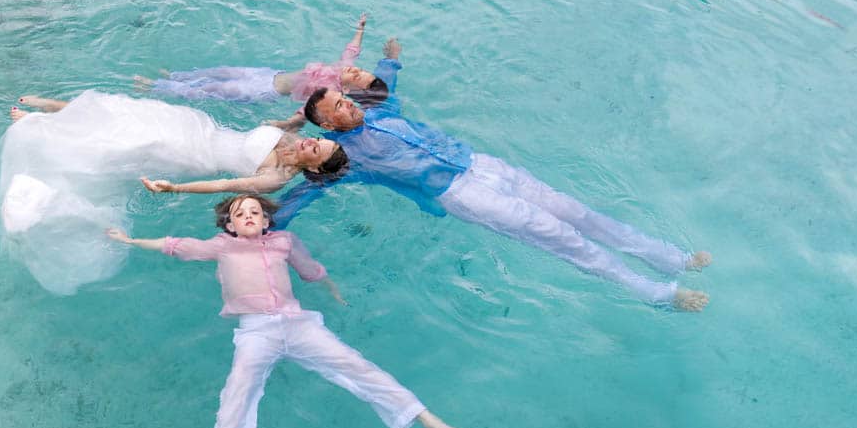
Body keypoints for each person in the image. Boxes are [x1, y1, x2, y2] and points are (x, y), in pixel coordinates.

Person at [274, 40, 711, 310]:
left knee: (575, 212)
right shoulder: (347, 157)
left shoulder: (379, 109)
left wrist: (392, 59)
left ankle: (669, 257)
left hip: (483, 165)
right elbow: (308, 188)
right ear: (326, 125)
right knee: (559, 236)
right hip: (461, 193)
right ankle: (655, 293)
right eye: (337, 107)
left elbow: (383, 83)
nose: (347, 103)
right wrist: (269, 221)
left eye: (343, 99)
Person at [107, 194, 469, 428]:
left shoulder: (283, 241)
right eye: (239, 213)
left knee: (355, 365)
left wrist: (330, 287)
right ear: (229, 225)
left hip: (298, 324)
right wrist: (130, 240)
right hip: (256, 330)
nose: (247, 215)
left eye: (254, 212)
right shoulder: (221, 246)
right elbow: (176, 245)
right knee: (240, 384)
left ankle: (428, 420)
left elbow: (310, 270)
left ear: (265, 221)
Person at [0, 92, 347, 294]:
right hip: (199, 126)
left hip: (195, 156)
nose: (312, 141)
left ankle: (39, 129)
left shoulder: (274, 178)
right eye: (319, 138)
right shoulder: (292, 139)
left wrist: (174, 187)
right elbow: (290, 123)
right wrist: (305, 109)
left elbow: (224, 186)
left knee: (127, 142)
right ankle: (53, 110)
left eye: (316, 149)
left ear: (313, 168)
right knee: (125, 112)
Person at [135, 13, 390, 107]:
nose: (355, 71)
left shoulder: (330, 91)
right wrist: (360, 29)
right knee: (221, 71)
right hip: (269, 74)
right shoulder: (344, 69)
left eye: (357, 77)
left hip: (264, 90)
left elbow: (308, 111)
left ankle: (157, 87)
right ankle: (177, 77)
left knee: (212, 89)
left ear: (346, 89)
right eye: (361, 71)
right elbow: (352, 51)